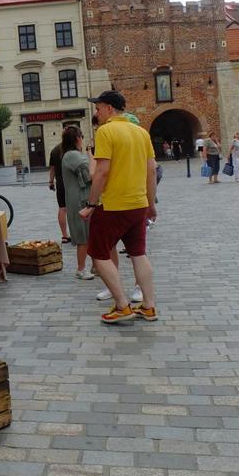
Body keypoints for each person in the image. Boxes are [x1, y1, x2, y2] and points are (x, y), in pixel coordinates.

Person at [79, 90, 158, 324]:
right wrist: (150, 204)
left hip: (113, 204)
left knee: (99, 253)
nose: (97, 112)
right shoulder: (141, 132)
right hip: (138, 204)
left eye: (98, 108)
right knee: (138, 253)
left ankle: (122, 306)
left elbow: (101, 171)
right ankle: (149, 306)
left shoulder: (106, 131)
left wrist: (91, 204)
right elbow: (151, 170)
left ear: (110, 109)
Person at [61, 126, 94, 280]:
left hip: (81, 199)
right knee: (83, 237)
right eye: (81, 137)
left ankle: (96, 266)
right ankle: (81, 269)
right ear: (77, 139)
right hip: (79, 201)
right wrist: (90, 154)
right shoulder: (72, 155)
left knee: (90, 235)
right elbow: (90, 174)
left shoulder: (70, 154)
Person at [49, 134, 71, 244]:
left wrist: (50, 182)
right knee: (75, 208)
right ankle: (76, 233)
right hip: (72, 182)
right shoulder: (72, 149)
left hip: (60, 182)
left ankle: (64, 235)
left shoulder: (54, 150)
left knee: (62, 208)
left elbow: (52, 168)